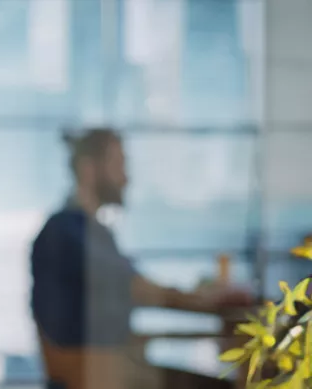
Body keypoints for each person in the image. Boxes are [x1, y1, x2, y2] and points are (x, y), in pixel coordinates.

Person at [29, 128, 253, 389]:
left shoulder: (93, 232)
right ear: (88, 168)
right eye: (118, 164)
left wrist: (202, 300)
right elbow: (138, 289)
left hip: (114, 370)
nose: (126, 178)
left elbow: (133, 290)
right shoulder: (65, 232)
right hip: (98, 376)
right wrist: (205, 300)